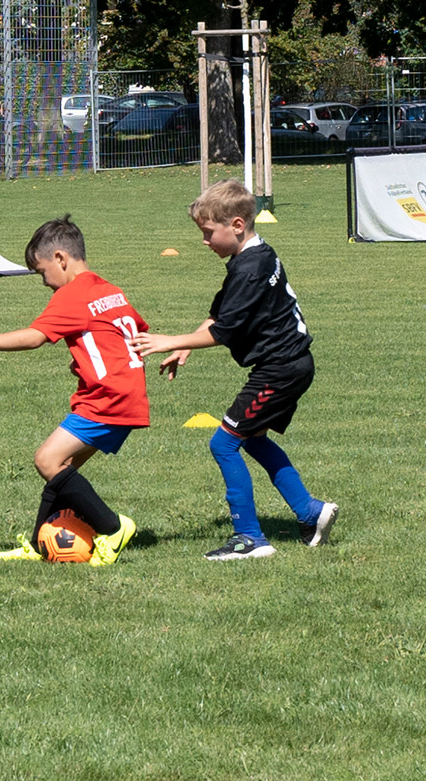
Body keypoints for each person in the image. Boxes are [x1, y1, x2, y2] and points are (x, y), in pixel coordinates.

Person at [132, 179, 338, 560]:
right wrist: (186, 349)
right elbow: (218, 315)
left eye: (209, 233)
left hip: (279, 369)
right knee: (253, 438)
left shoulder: (248, 270)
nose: (204, 241)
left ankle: (249, 538)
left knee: (224, 442)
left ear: (238, 225)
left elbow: (225, 332)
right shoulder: (255, 257)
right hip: (291, 364)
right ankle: (311, 512)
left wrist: (170, 340)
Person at [0, 214, 144, 566]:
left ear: (60, 259)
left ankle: (113, 528)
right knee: (63, 468)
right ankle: (42, 544)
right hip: (127, 394)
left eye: (41, 272)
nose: (44, 283)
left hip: (107, 397)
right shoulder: (109, 290)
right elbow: (128, 333)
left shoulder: (73, 295)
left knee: (47, 460)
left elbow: (35, 337)